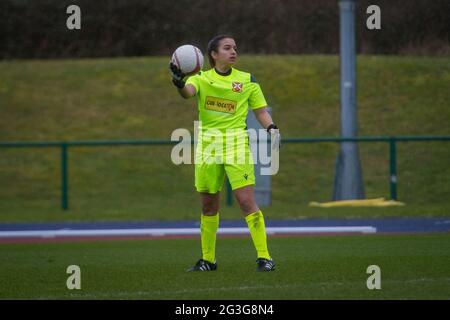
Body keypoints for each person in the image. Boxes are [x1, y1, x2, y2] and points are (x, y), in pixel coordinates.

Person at [169, 35, 280, 272]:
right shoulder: (201, 78)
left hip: (236, 145)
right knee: (209, 206)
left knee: (246, 201)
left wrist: (271, 127)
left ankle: (265, 257)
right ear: (213, 54)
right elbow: (187, 92)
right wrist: (179, 82)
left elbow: (260, 111)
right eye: (227, 48)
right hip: (207, 147)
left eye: (235, 48)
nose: (233, 52)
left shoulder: (247, 80)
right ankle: (208, 260)